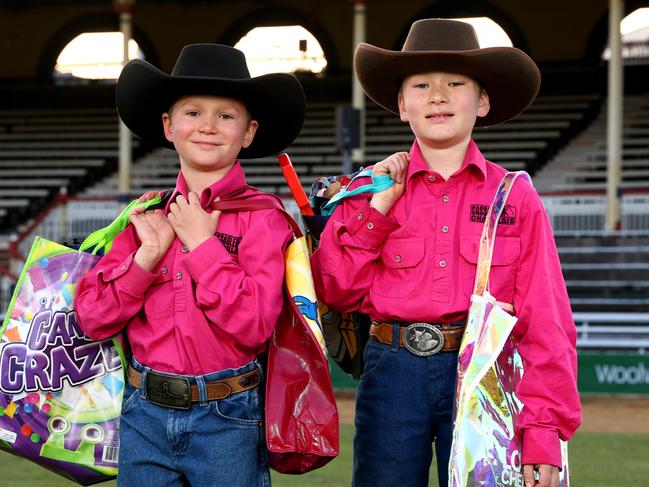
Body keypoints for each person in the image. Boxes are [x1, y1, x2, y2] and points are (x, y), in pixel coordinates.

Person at [311, 19, 581, 487]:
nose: (437, 95)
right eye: (421, 85)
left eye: (455, 83)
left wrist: (543, 431)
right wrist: (377, 211)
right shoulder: (365, 191)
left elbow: (547, 322)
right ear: (401, 104)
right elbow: (334, 289)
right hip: (390, 374)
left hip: (484, 375)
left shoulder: (514, 196)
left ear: (482, 101)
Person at [75, 43, 305, 486]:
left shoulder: (265, 219)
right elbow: (92, 318)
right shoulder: (144, 217)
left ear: (249, 131)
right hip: (143, 415)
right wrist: (144, 259)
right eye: (193, 112)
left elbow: (256, 325)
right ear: (169, 126)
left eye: (226, 115)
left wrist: (202, 246)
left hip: (228, 417)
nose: (208, 126)